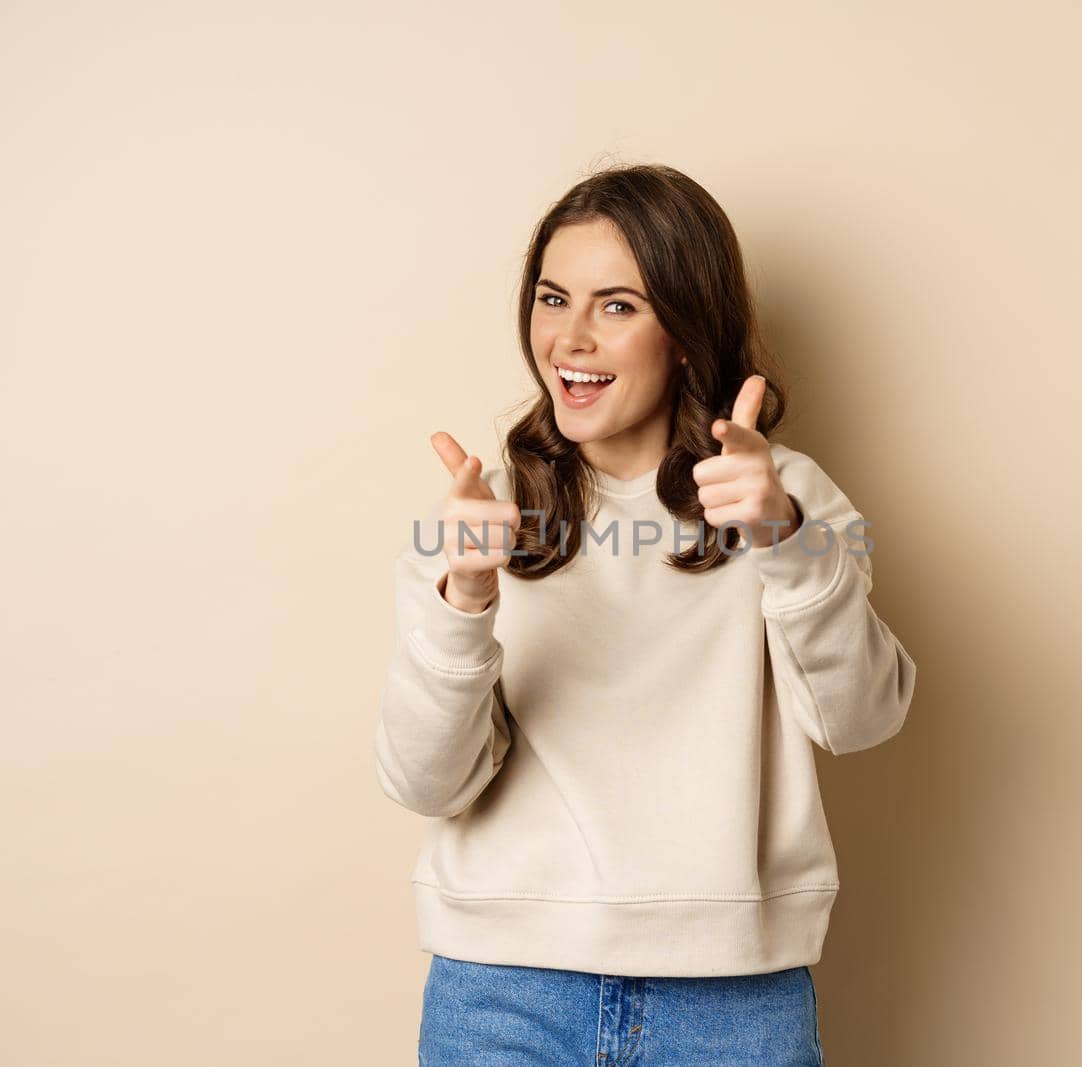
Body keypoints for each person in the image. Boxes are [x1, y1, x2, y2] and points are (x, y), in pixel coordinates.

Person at [376, 163, 918, 1065]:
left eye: (617, 305)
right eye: (554, 298)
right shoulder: (482, 515)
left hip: (734, 1004)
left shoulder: (787, 498)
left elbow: (862, 719)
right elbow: (425, 784)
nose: (569, 339)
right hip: (502, 992)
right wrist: (464, 599)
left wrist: (784, 539)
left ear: (686, 330)